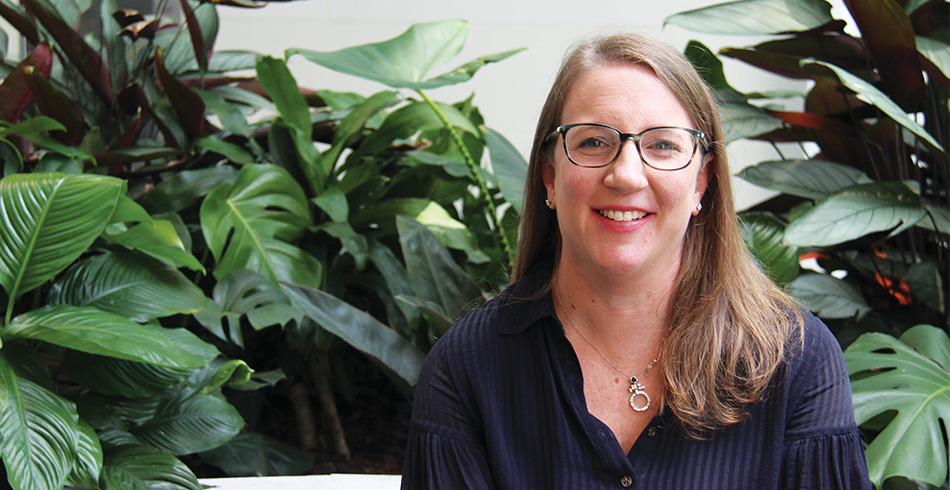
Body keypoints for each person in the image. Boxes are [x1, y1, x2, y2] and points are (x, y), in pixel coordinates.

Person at [401, 33, 871, 489]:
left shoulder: (796, 362)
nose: (625, 175)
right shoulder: (466, 369)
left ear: (701, 183)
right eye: (593, 143)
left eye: (662, 145)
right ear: (549, 175)